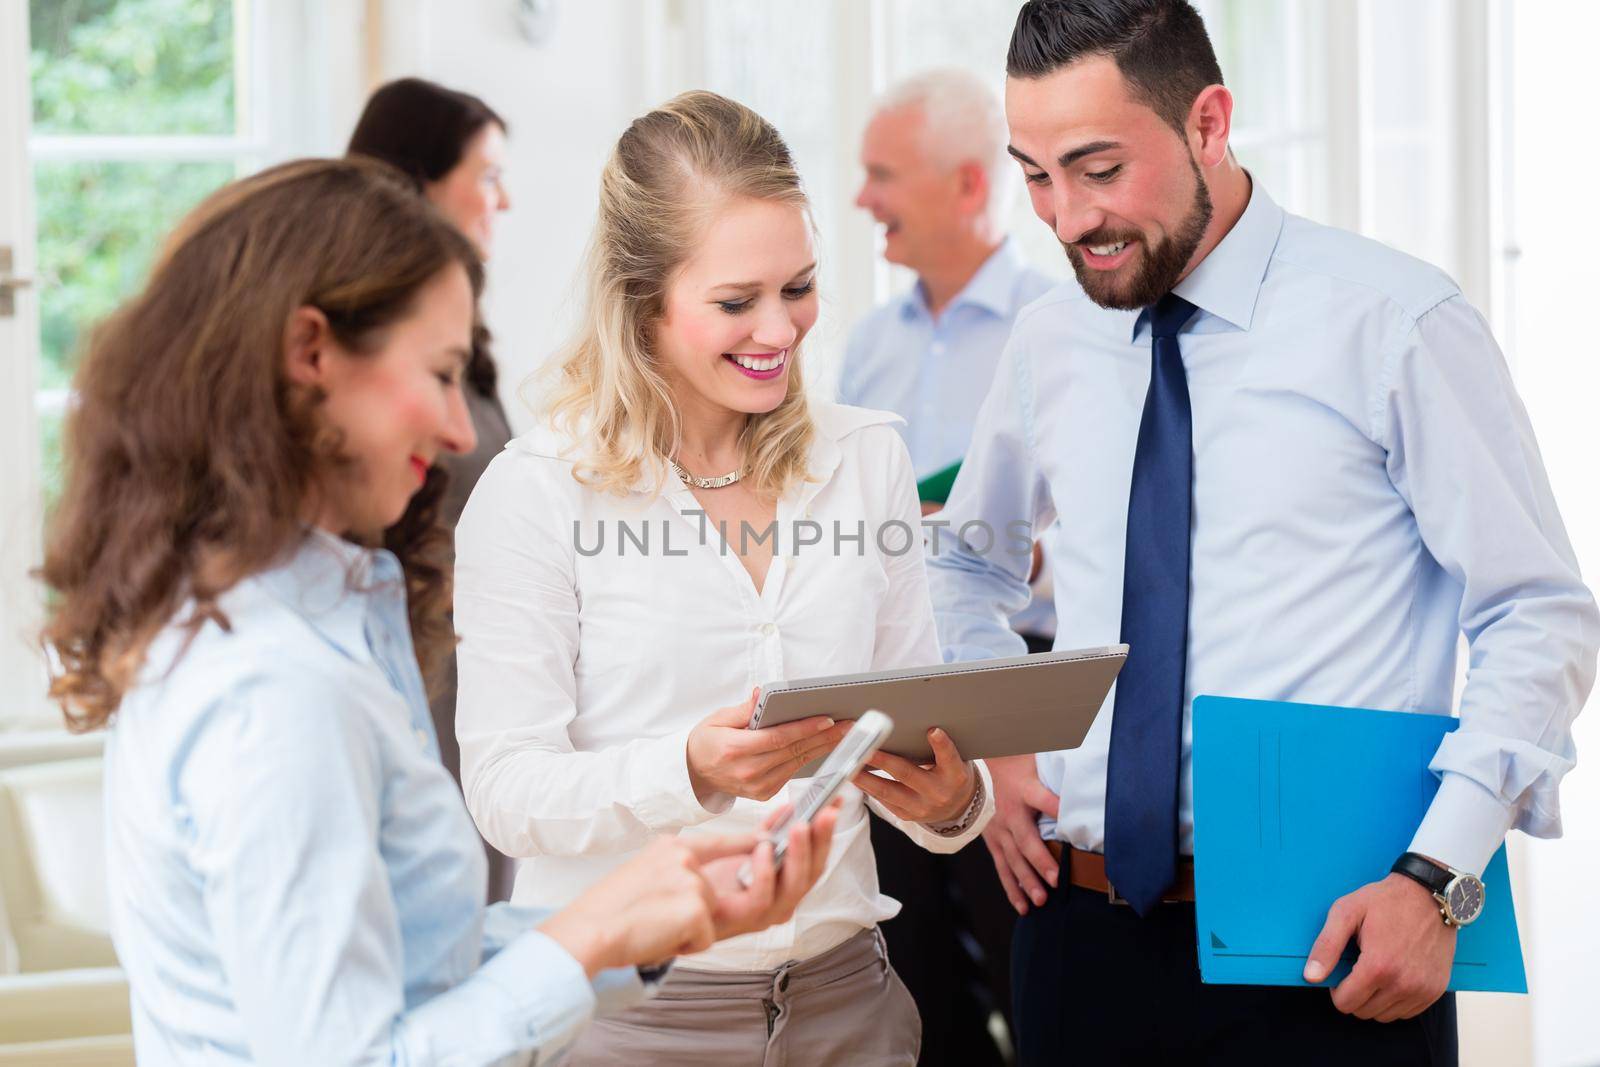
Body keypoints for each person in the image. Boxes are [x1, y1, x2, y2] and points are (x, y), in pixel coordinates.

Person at [37, 157, 838, 1066]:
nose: (462, 430)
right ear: (312, 353)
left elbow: (408, 967)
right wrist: (586, 941)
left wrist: (625, 921)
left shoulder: (313, 621)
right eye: (443, 371)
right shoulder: (277, 689)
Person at [928, 2, 1599, 1064]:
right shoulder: (1050, 337)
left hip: (1336, 951)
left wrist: (1437, 879)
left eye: (1097, 169)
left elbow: (1538, 613)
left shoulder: (1392, 321)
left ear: (1208, 122)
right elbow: (967, 558)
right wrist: (996, 736)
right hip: (1078, 939)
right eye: (1035, 174)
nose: (1064, 219)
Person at [453, 90, 995, 1067]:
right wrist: (687, 769)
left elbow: (918, 717)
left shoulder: (866, 455)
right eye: (736, 302)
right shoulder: (537, 493)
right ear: (641, 300)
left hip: (848, 1006)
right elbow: (503, 788)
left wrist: (954, 800)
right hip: (628, 1021)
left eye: (799, 286)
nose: (779, 330)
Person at [843, 67, 1056, 1066]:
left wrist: (1021, 552)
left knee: (1039, 963)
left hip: (1024, 704)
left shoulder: (1061, 328)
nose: (861, 199)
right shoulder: (861, 348)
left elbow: (1110, 537)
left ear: (969, 186)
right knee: (914, 972)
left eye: (881, 174)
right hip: (890, 707)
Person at [347, 76, 519, 901]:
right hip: (418, 662)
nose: (504, 200)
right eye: (486, 176)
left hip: (466, 664)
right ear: (418, 184)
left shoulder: (462, 341)